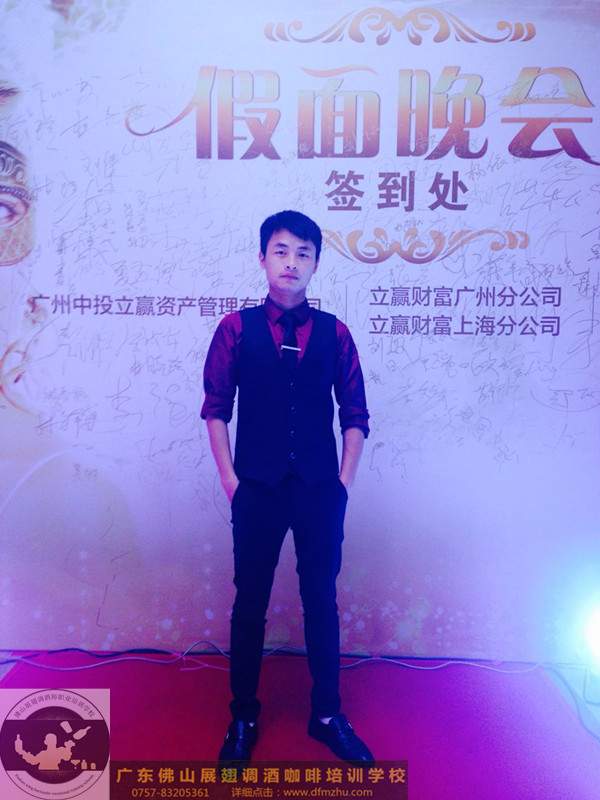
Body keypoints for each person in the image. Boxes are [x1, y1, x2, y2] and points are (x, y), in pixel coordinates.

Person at [201, 210, 373, 767]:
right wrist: (230, 479)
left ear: (316, 263)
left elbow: (355, 412)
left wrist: (343, 483)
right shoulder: (235, 329)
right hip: (256, 487)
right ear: (262, 258)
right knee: (249, 602)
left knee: (321, 601)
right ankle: (243, 716)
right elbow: (216, 408)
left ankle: (326, 715)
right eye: (281, 251)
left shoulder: (335, 333)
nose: (291, 262)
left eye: (303, 253)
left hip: (320, 489)